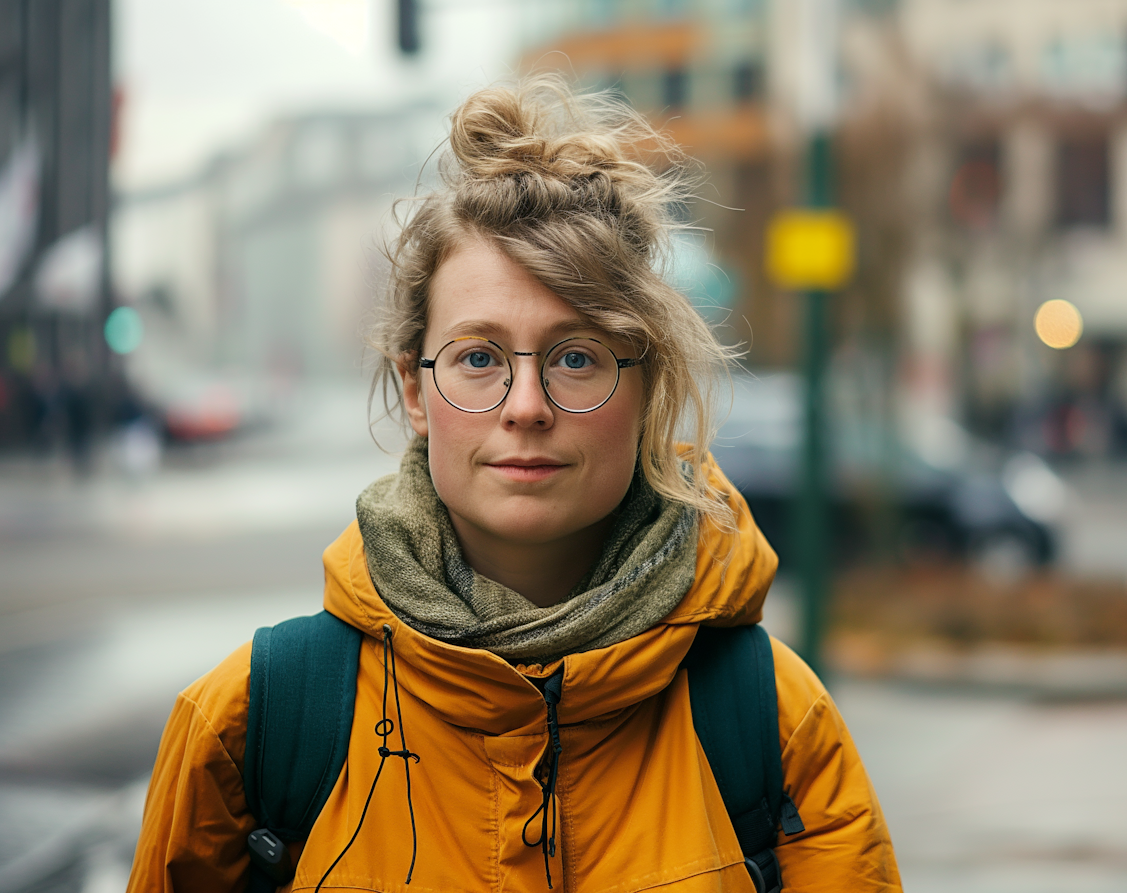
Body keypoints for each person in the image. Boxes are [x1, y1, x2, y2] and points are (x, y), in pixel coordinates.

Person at [127, 76, 902, 892]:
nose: (526, 407)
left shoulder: (772, 722)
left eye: (576, 357)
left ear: (644, 390)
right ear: (416, 390)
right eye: (478, 357)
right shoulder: (256, 721)